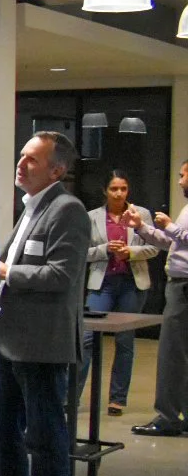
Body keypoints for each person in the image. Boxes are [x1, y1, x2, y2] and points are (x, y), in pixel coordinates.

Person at [0, 131, 88, 476]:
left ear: (57, 171)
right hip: (10, 337)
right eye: (22, 155)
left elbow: (62, 275)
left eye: (32, 159)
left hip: (42, 344)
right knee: (1, 428)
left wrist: (4, 272)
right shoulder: (32, 207)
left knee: (44, 437)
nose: (21, 163)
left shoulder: (67, 210)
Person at [82, 170, 157, 415]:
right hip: (102, 282)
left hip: (131, 284)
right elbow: (82, 252)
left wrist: (130, 253)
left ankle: (117, 399)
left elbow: (155, 247)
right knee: (86, 339)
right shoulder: (92, 217)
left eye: (123, 188)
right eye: (114, 188)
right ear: (105, 190)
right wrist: (105, 249)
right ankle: (69, 395)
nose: (119, 193)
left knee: (125, 341)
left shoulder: (140, 214)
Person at [133, 161, 188, 437]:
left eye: (183, 175)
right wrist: (142, 228)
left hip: (184, 288)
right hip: (179, 285)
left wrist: (171, 226)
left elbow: (179, 237)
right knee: (181, 356)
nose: (179, 181)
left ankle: (167, 417)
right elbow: (173, 243)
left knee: (170, 355)